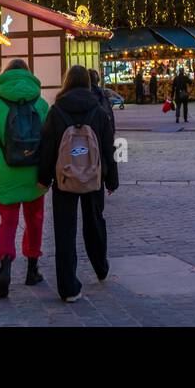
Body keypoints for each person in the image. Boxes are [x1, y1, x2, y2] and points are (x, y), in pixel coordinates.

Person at [37, 64, 119, 302]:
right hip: (94, 176)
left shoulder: (56, 111)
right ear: (88, 83)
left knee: (64, 231)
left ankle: (68, 287)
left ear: (67, 82)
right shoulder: (98, 110)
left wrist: (43, 178)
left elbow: (47, 147)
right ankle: (101, 266)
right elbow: (108, 147)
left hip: (64, 178)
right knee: (94, 222)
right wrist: (111, 180)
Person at [0, 58, 51, 296]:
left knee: (7, 222)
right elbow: (49, 140)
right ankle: (32, 269)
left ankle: (6, 265)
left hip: (6, 173)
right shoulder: (41, 103)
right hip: (34, 173)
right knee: (35, 220)